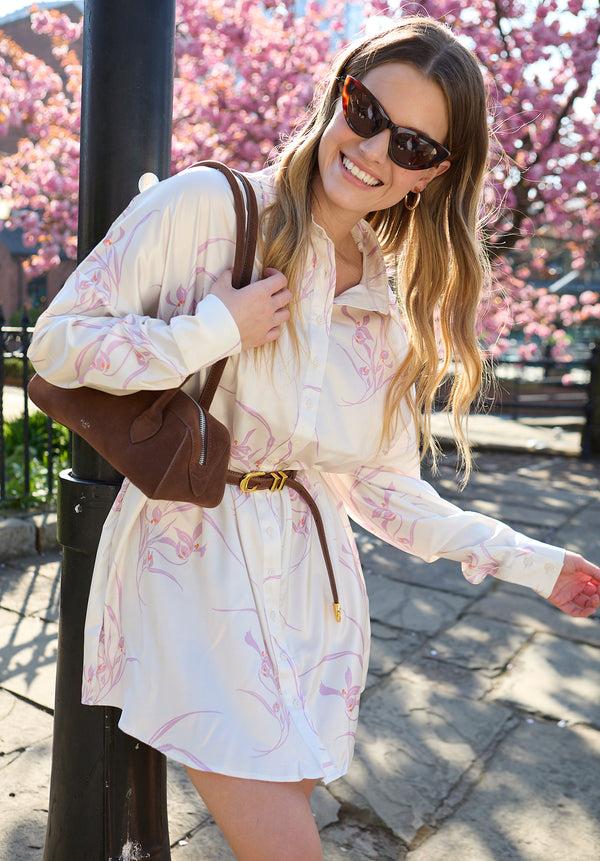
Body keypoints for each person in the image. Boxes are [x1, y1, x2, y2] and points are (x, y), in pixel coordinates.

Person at [27, 15, 600, 861]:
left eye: (410, 146)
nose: (372, 151)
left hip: (311, 592)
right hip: (191, 560)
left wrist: (530, 560)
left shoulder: (385, 311)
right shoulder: (209, 208)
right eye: (366, 112)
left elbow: (382, 490)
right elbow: (57, 343)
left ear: (434, 176)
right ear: (341, 94)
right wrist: (209, 329)